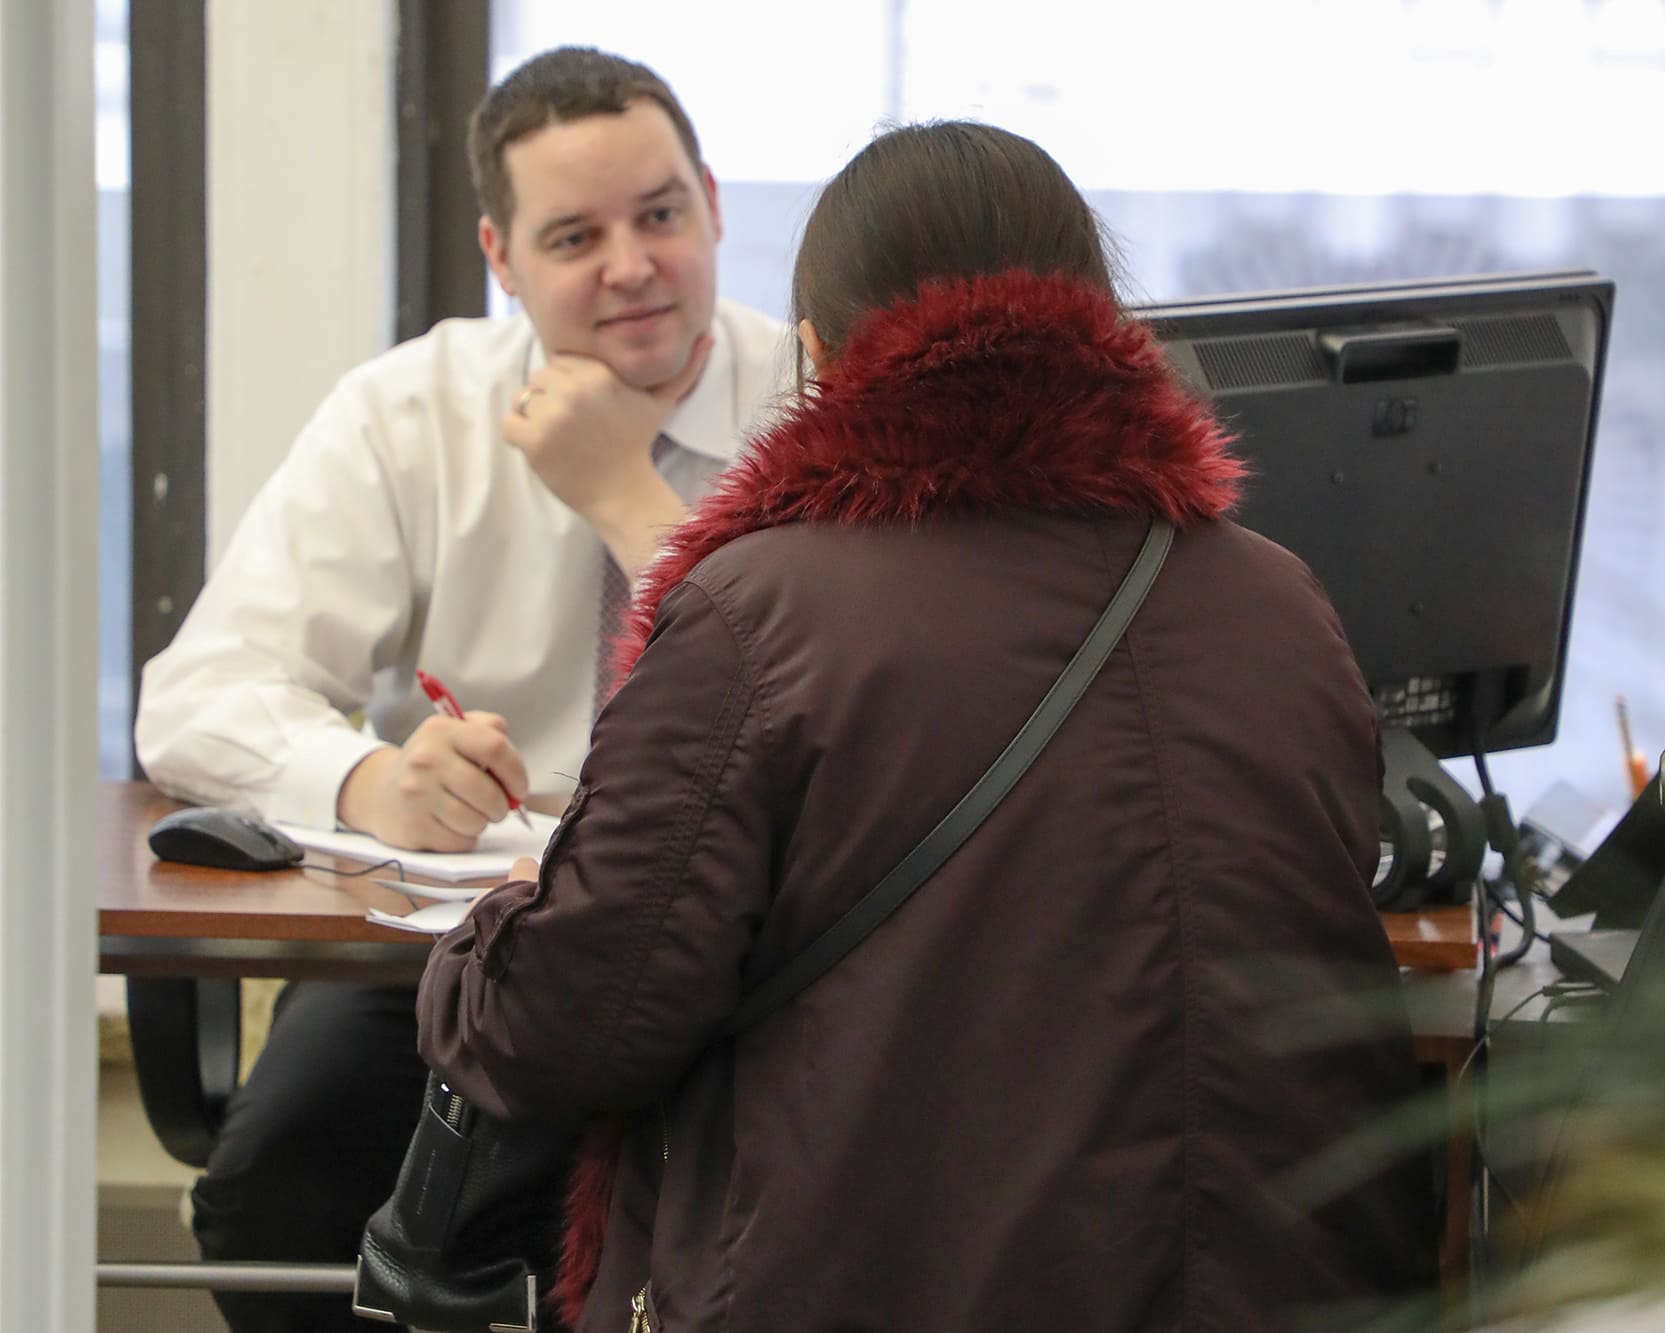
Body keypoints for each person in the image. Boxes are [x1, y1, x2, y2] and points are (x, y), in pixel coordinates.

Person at [418, 120, 1436, 1332]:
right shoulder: (1281, 602)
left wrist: (492, 928)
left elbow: (560, 1029)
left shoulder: (758, 617)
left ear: (813, 356)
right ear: (1109, 327)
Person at [134, 48, 786, 1332]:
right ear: (500, 255)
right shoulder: (413, 409)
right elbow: (200, 690)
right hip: (470, 942)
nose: (633, 266)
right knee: (276, 1187)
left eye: (661, 214)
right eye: (573, 235)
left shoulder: (809, 397)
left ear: (713, 201)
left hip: (741, 948)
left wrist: (623, 494)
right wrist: (370, 777)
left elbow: (825, 710)